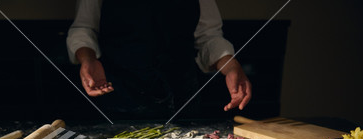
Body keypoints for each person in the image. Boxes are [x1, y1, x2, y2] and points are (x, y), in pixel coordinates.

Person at [67, 0, 251, 118]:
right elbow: (84, 28)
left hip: (183, 96)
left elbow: (209, 36)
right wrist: (87, 58)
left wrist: (231, 66)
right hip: (120, 95)